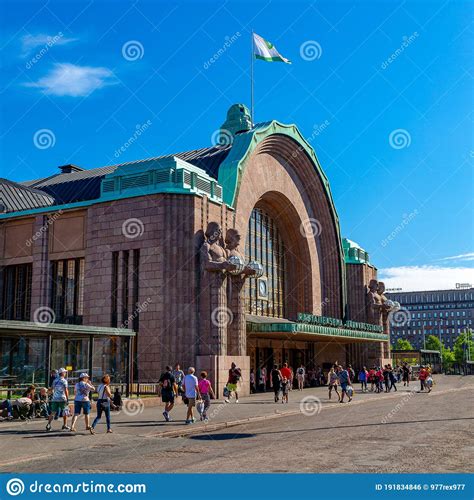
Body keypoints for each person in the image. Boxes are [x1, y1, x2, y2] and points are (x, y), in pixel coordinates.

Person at [46, 367, 70, 431]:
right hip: (62, 399)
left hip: (55, 398)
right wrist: (67, 399)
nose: (65, 373)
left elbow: (51, 389)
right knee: (65, 411)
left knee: (53, 412)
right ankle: (65, 425)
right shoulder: (64, 381)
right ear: (62, 373)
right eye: (65, 372)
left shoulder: (55, 380)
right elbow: (66, 390)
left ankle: (48, 424)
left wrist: (48, 393)